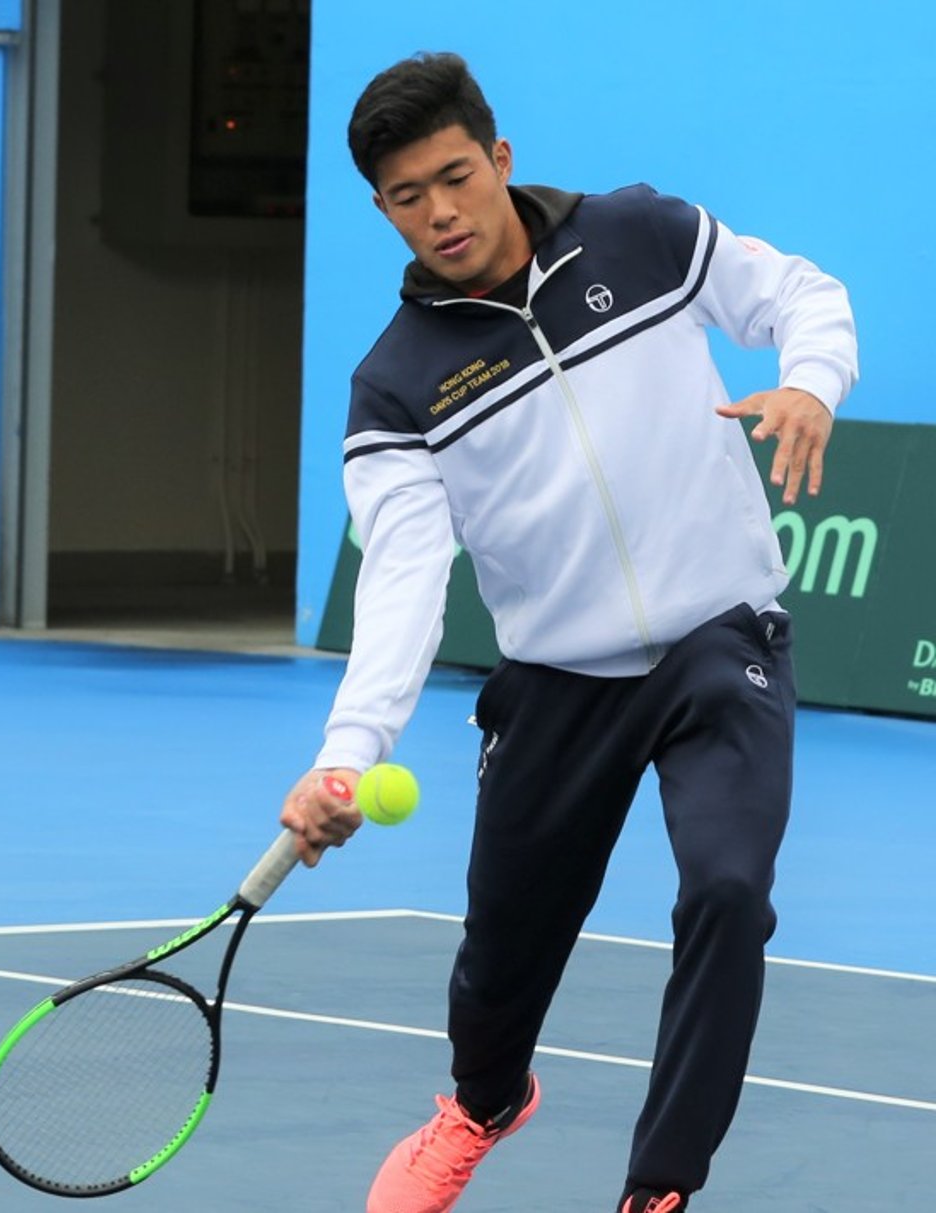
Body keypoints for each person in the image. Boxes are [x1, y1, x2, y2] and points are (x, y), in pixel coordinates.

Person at [279, 51, 858, 1213]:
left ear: (498, 159)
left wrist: (809, 382)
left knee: (728, 894)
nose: (438, 213)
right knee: (503, 952)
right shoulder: (395, 386)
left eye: (453, 176)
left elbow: (800, 292)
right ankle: (483, 1100)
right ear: (381, 209)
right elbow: (401, 579)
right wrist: (349, 751)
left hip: (718, 638)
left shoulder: (640, 234)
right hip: (556, 680)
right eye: (404, 196)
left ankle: (657, 1186)